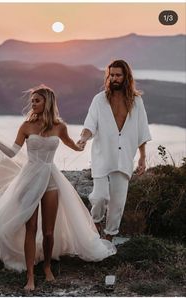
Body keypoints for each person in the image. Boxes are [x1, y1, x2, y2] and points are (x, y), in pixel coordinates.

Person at [0, 85, 116, 292]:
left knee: (48, 231)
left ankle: (46, 266)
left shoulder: (59, 127)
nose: (33, 104)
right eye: (32, 101)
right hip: (29, 178)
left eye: (37, 100)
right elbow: (12, 152)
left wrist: (83, 142)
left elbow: (74, 146)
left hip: (51, 179)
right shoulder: (26, 126)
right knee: (30, 228)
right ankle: (30, 275)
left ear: (47, 102)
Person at [77, 60, 151, 242]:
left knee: (118, 203)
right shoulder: (99, 100)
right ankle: (95, 225)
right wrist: (84, 138)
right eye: (111, 75)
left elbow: (142, 130)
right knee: (100, 196)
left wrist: (142, 158)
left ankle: (108, 238)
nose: (114, 78)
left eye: (118, 75)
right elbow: (90, 124)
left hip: (124, 157)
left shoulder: (137, 102)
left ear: (126, 76)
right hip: (102, 156)